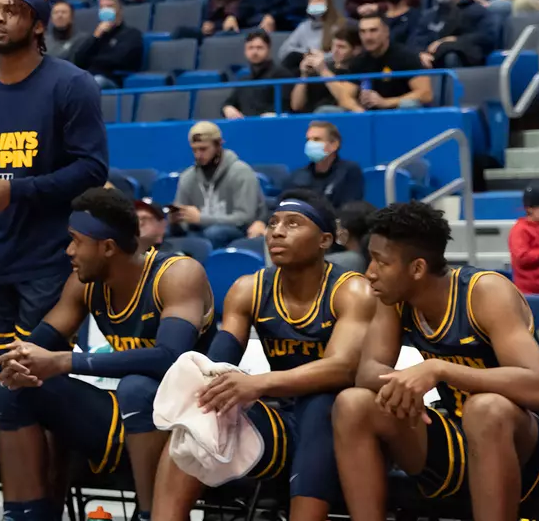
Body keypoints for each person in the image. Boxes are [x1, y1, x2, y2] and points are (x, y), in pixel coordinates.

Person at [0, 0, 108, 521]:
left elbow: (92, 170)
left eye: (10, 12)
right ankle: (21, 513)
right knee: (7, 392)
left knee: (42, 389)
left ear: (38, 25)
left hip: (51, 261)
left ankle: (48, 510)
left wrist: (16, 189)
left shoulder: (71, 84)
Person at [151, 191, 375, 521]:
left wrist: (258, 383)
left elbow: (341, 369)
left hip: (345, 428)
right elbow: (219, 361)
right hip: (282, 420)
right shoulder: (248, 288)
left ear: (325, 240)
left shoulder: (352, 290)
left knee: (322, 402)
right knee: (197, 415)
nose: (277, 232)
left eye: (293, 224)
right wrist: (211, 382)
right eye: (272, 224)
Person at [333, 202, 539, 521]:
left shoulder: (484, 292)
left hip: (533, 446)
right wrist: (404, 389)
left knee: (485, 409)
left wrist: (439, 368)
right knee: (353, 402)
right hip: (458, 435)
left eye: (381, 262)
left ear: (416, 268)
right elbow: (368, 373)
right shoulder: (394, 298)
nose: (369, 272)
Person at [0, 189, 212, 517]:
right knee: (15, 387)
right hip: (126, 418)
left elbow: (171, 359)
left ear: (107, 247)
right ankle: (26, 514)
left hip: (190, 422)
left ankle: (150, 514)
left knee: (138, 387)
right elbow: (37, 346)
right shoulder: (84, 284)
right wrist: (17, 361)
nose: (68, 251)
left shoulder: (177, 274)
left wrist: (65, 361)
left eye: (75, 241)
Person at [168, 122, 265, 249]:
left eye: (203, 149)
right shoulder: (187, 177)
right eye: (194, 150)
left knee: (215, 233)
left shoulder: (241, 172)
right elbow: (184, 218)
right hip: (200, 230)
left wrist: (201, 219)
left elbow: (244, 218)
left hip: (240, 231)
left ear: (218, 145)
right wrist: (176, 221)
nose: (198, 155)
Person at [73, 0, 144, 89]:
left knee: (95, 81)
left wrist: (92, 61)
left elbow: (118, 59)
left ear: (120, 10)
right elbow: (78, 60)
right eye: (102, 7)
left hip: (113, 80)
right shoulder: (96, 36)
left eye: (110, 6)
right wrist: (95, 37)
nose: (105, 10)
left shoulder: (131, 34)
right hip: (89, 77)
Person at [288, 122, 365, 206]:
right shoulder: (298, 175)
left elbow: (350, 208)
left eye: (316, 139)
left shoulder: (349, 171)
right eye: (308, 140)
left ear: (334, 144)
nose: (310, 144)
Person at [221, 30, 294, 118]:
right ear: (245, 51)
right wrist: (227, 108)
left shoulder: (282, 74)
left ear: (268, 49)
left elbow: (286, 105)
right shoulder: (244, 79)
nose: (254, 52)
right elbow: (229, 102)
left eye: (259, 48)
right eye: (250, 48)